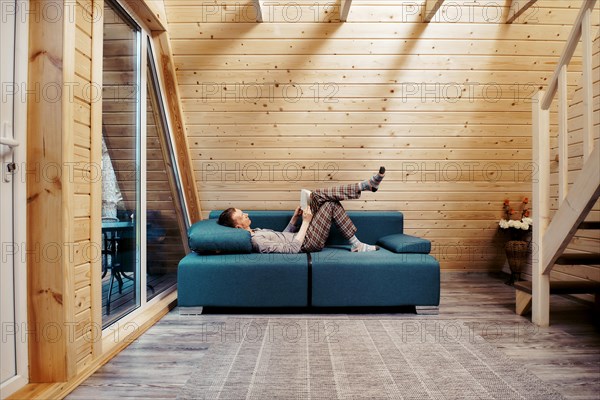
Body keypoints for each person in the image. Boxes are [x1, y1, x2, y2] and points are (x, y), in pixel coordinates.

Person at [217, 167, 386, 254]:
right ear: (238, 227)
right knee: (324, 199)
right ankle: (364, 186)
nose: (246, 214)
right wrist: (306, 222)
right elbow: (292, 249)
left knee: (323, 199)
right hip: (306, 244)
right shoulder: (257, 241)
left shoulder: (256, 231)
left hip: (304, 237)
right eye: (241, 215)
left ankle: (356, 244)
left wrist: (294, 219)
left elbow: (283, 238)